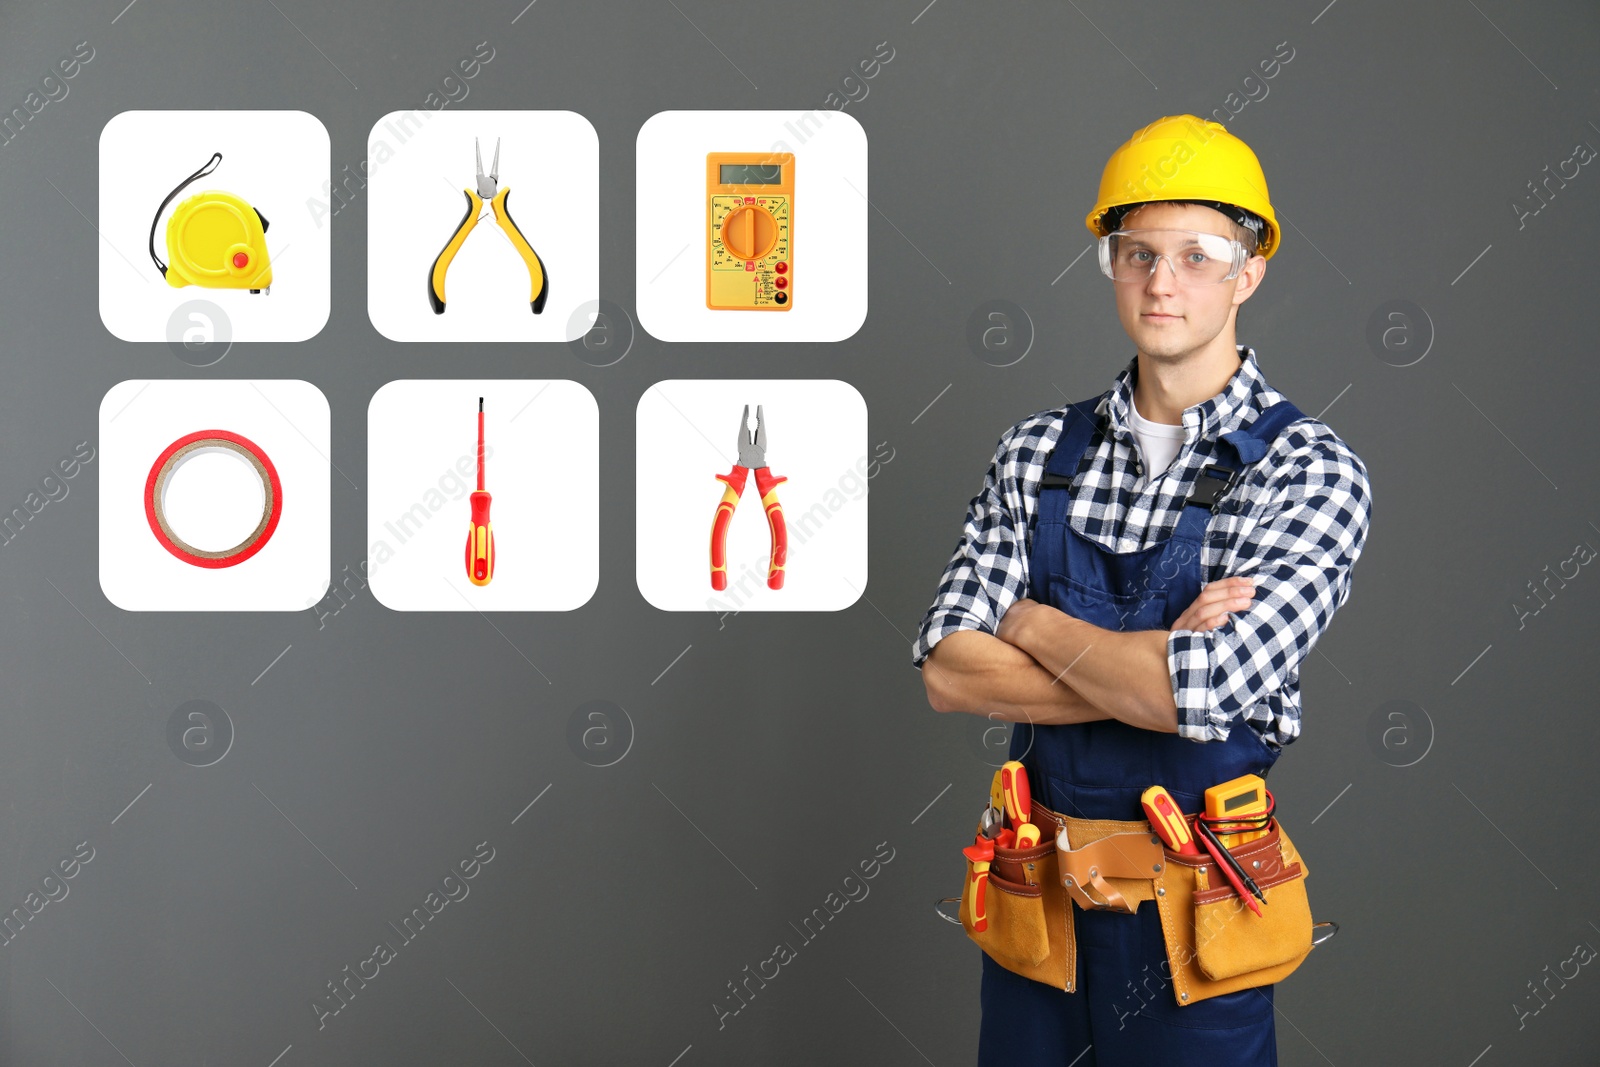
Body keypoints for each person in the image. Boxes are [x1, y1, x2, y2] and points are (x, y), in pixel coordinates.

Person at [912, 114, 1373, 1065]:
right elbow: (951, 673)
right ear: (1113, 265)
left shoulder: (1310, 473)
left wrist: (1030, 619)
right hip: (1038, 912)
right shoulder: (1037, 451)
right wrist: (1160, 668)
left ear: (1250, 272)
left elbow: (1187, 693)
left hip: (1200, 923)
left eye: (1198, 256)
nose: (1162, 282)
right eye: (1136, 253)